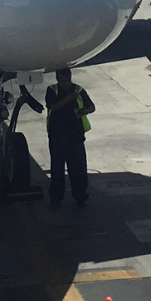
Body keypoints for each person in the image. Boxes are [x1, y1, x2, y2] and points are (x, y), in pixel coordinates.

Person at [45, 67, 95, 209]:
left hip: (75, 138)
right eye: (62, 81)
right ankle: (55, 199)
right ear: (57, 79)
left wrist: (83, 111)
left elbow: (91, 107)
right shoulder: (52, 90)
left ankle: (80, 197)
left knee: (78, 170)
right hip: (57, 138)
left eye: (67, 80)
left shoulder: (78, 90)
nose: (65, 83)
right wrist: (68, 98)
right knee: (57, 172)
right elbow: (53, 106)